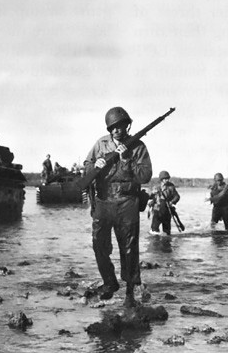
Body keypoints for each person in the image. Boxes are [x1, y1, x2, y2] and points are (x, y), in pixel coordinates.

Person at [84, 106, 152, 307]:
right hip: (104, 200)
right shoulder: (100, 144)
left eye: (120, 126)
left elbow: (145, 176)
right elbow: (86, 167)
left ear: (126, 126)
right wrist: (93, 166)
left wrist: (127, 160)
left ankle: (130, 291)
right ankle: (109, 282)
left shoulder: (138, 146)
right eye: (112, 128)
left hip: (127, 200)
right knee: (99, 244)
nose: (116, 131)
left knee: (129, 247)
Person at [147, 170, 181, 236]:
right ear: (161, 179)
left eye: (168, 178)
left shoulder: (171, 187)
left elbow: (177, 196)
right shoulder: (155, 186)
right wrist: (152, 193)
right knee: (154, 230)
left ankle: (166, 243)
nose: (167, 180)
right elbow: (149, 196)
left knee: (167, 232)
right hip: (157, 211)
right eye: (165, 179)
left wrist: (172, 202)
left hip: (167, 211)